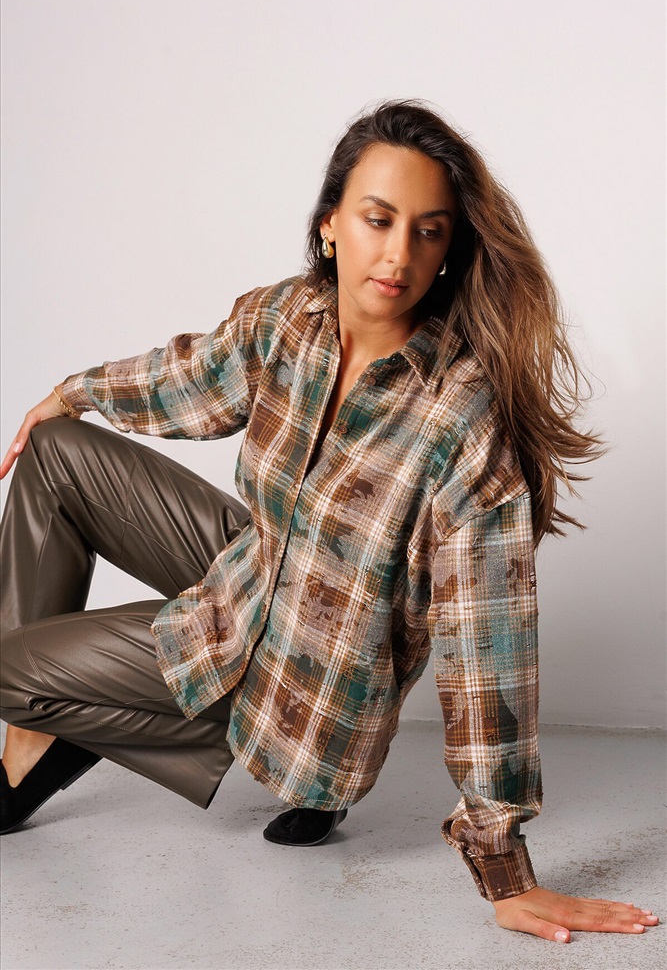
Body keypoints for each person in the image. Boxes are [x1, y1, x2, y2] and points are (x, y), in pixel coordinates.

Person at [0, 100, 659, 944]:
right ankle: (32, 739)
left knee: (6, 668)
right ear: (329, 226)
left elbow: (487, 645)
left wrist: (504, 871)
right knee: (57, 450)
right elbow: (189, 378)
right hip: (258, 574)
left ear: (450, 249)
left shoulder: (462, 421)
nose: (398, 254)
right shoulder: (290, 319)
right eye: (378, 220)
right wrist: (73, 393)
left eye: (428, 231)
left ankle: (155, 728)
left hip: (309, 681)